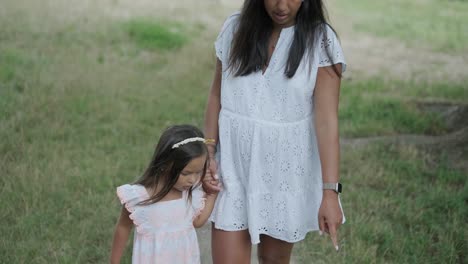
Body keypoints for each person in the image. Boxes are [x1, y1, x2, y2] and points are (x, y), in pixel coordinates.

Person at [203, 0, 346, 263]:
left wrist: (330, 192)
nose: (281, 5)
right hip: (232, 169)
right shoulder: (235, 29)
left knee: (273, 260)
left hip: (284, 173)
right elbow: (216, 95)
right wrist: (209, 151)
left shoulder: (321, 41)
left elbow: (327, 122)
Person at [110, 124, 219, 264]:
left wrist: (211, 195)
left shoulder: (189, 194)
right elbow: (123, 227)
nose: (193, 179)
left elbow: (197, 222)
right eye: (186, 173)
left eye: (198, 172)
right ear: (165, 164)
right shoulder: (139, 197)